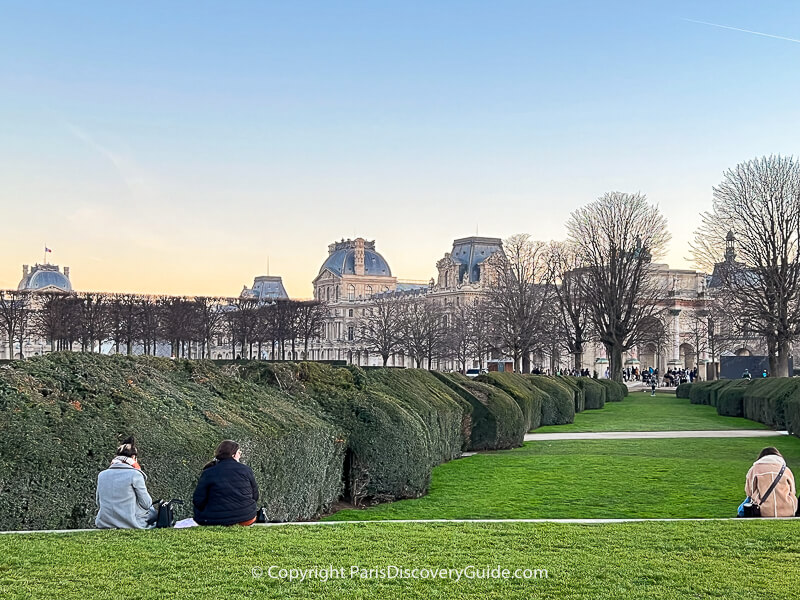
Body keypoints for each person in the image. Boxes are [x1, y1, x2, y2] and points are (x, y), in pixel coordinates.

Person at [95, 436, 158, 529]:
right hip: (131, 522)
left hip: (105, 522)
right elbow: (146, 503)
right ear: (133, 457)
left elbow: (98, 502)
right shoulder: (135, 475)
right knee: (152, 510)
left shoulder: (102, 475)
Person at [193, 440, 259, 526]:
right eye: (239, 452)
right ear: (233, 455)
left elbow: (198, 500)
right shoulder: (246, 470)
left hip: (214, 520)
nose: (240, 454)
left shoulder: (208, 472)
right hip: (246, 518)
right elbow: (255, 496)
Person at [744, 447, 798, 518]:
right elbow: (793, 491)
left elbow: (749, 492)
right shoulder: (786, 470)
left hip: (762, 510)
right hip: (788, 509)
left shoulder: (755, 469)